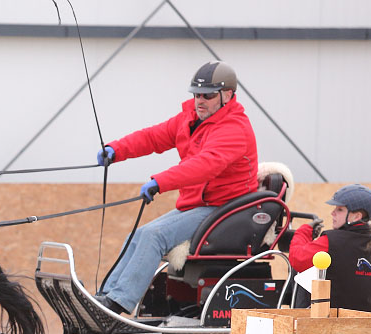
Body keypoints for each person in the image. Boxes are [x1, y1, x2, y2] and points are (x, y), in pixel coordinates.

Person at [94, 61, 258, 315]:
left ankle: (117, 304)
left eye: (208, 95)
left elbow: (204, 165)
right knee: (137, 236)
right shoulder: (190, 119)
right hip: (199, 204)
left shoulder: (234, 129)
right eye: (196, 94)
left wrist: (161, 182)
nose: (200, 101)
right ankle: (104, 298)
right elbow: (154, 137)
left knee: (154, 236)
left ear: (227, 96)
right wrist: (117, 150)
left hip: (224, 208)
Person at [289, 184, 371, 313]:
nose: (332, 213)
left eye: (340, 209)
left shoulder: (331, 240)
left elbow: (297, 259)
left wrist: (304, 231)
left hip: (331, 323)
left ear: (356, 216)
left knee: (301, 275)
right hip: (369, 324)